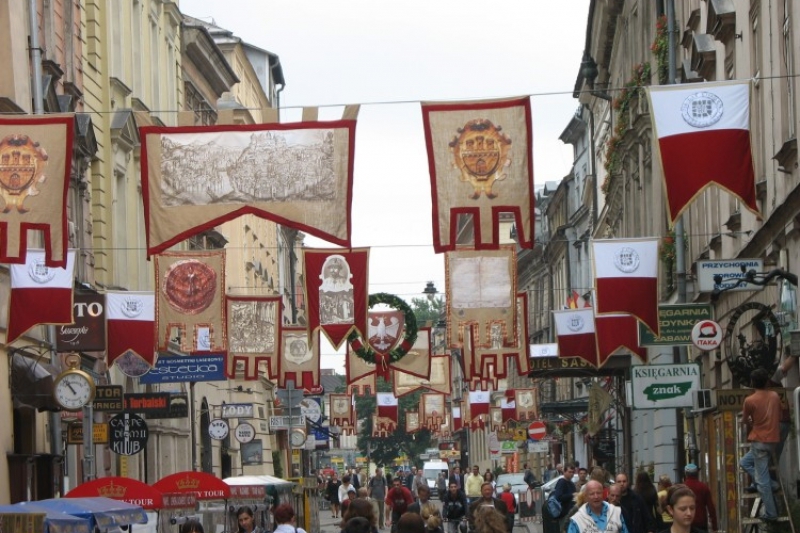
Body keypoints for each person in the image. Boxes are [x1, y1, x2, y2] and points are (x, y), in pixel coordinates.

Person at [740, 367, 782, 522]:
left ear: (752, 382)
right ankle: (773, 484)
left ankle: (771, 513)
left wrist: (752, 420)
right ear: (766, 381)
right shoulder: (775, 396)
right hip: (772, 439)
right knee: (744, 462)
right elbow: (779, 413)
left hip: (759, 440)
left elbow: (745, 420)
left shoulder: (750, 400)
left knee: (762, 480)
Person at [680, 465, 718, 532]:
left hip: (685, 522)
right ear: (697, 474)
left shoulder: (681, 488)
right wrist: (714, 526)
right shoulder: (703, 487)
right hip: (701, 523)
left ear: (686, 474)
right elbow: (711, 508)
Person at [543, 463, 576, 533]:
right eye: (569, 472)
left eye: (573, 472)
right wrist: (571, 495)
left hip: (570, 512)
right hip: (563, 513)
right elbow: (558, 497)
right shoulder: (562, 482)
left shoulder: (572, 484)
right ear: (564, 472)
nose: (571, 474)